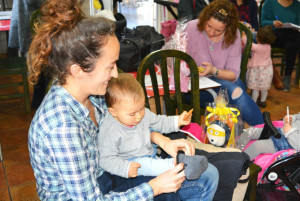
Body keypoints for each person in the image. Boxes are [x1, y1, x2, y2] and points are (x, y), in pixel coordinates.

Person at [27, 0, 218, 200]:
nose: (116, 75)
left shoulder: (89, 92)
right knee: (203, 181)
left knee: (207, 173)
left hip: (108, 175)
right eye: (110, 67)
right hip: (99, 190)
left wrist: (158, 138)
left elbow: (126, 124)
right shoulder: (62, 128)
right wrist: (153, 188)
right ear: (78, 70)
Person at [98, 73, 208, 181]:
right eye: (132, 114)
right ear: (113, 112)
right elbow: (105, 159)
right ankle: (180, 165)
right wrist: (125, 168)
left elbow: (160, 122)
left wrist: (178, 120)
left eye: (141, 108)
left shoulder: (143, 113)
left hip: (150, 154)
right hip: (130, 162)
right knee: (146, 165)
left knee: (153, 162)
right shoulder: (110, 130)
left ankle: (182, 161)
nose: (139, 116)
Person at [184, 0, 264, 126]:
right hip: (192, 88)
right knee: (236, 88)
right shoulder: (191, 27)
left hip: (218, 82)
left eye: (218, 30)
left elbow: (233, 74)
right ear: (204, 19)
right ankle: (261, 129)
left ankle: (253, 129)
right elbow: (175, 58)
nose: (211, 32)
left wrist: (213, 71)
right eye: (209, 26)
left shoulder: (233, 35)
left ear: (228, 28)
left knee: (236, 86)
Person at [261, 0, 300, 92]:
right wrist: (273, 23)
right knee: (296, 38)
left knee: (292, 45)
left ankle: (287, 77)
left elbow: (298, 24)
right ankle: (287, 77)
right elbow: (263, 22)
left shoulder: (297, 5)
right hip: (274, 36)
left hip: (291, 38)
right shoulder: (269, 2)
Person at [241, 25, 276, 108]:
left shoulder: (257, 48)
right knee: (264, 88)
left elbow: (248, 43)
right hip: (267, 70)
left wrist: (243, 35)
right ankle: (263, 101)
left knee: (255, 88)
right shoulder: (268, 47)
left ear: (258, 38)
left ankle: (253, 102)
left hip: (257, 71)